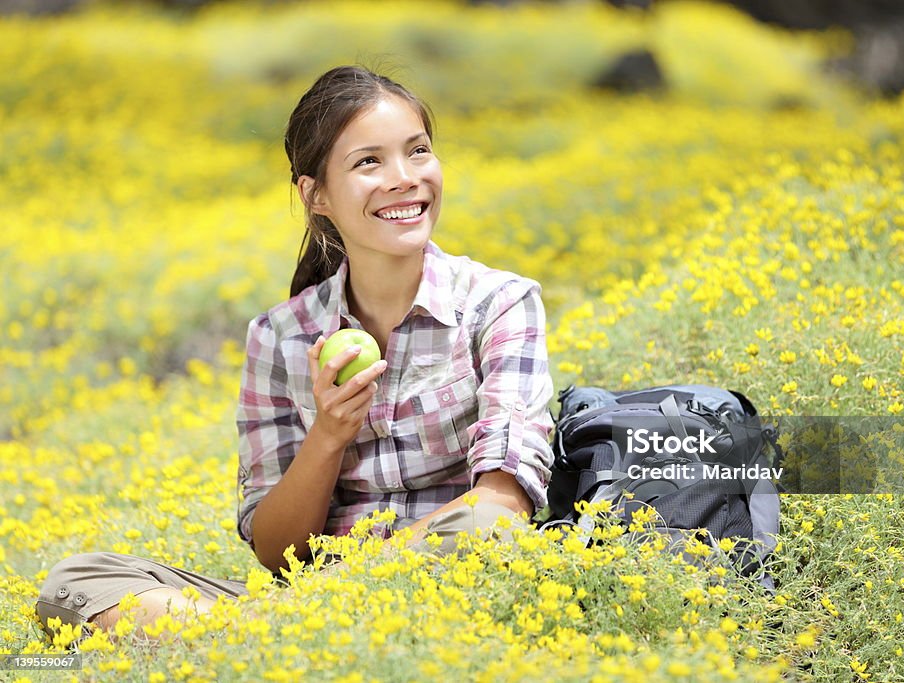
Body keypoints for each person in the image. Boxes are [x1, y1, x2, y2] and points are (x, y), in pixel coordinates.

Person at [35, 65, 556, 643]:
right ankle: (295, 633)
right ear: (317, 195)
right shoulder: (279, 337)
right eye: (369, 162)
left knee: (484, 522)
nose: (405, 178)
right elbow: (279, 554)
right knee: (75, 581)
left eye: (418, 152)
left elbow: (504, 502)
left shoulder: (500, 304)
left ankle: (264, 635)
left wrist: (334, 592)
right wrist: (329, 432)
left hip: (450, 581)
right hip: (305, 593)